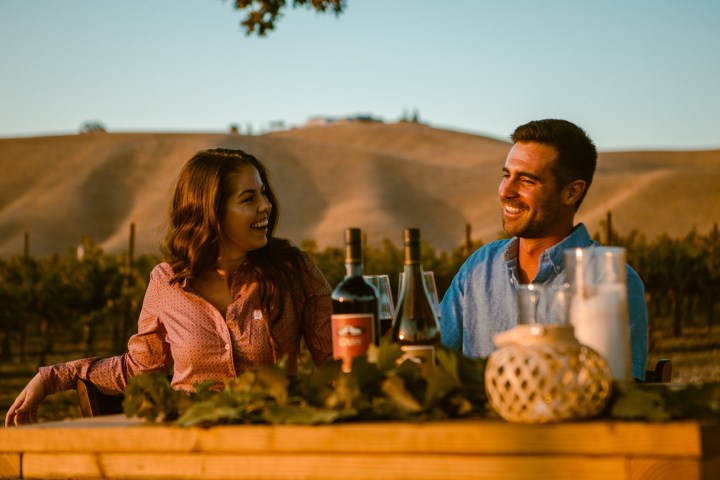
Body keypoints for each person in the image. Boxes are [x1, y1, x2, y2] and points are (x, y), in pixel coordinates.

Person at [5, 148, 333, 427]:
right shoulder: (167, 283)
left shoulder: (294, 271)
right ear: (211, 211)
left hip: (274, 444)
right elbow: (137, 369)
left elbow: (337, 361)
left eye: (264, 193)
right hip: (190, 448)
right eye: (249, 198)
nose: (266, 206)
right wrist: (52, 377)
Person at [439, 119, 648, 380]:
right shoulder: (479, 267)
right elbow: (433, 359)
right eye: (506, 175)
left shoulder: (613, 282)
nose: (506, 191)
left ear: (572, 192)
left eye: (526, 180)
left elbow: (618, 394)